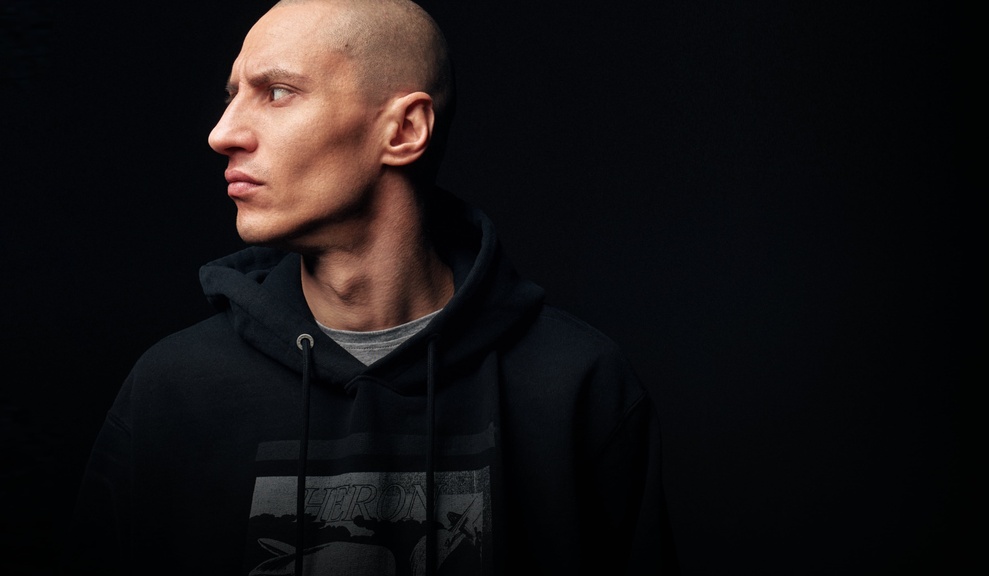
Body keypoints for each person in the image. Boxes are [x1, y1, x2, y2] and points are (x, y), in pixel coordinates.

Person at [64, 0, 678, 574]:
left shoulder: (576, 385)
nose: (222, 133)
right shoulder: (172, 390)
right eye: (233, 96)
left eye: (277, 92)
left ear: (404, 130)